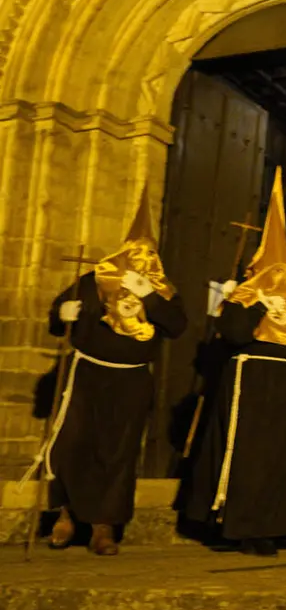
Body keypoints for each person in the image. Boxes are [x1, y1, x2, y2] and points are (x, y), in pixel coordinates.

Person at [27, 184, 187, 555]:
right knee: (72, 444)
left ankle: (104, 527)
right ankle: (65, 516)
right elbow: (58, 316)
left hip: (130, 380)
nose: (141, 260)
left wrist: (147, 293)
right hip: (85, 376)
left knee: (118, 451)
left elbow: (177, 327)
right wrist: (60, 315)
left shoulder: (162, 291)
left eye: (148, 255)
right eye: (135, 254)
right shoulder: (93, 280)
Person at [182, 167, 286, 557]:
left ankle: (280, 523)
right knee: (250, 455)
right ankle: (246, 527)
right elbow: (236, 335)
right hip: (251, 381)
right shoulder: (244, 297)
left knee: (282, 458)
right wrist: (251, 301)